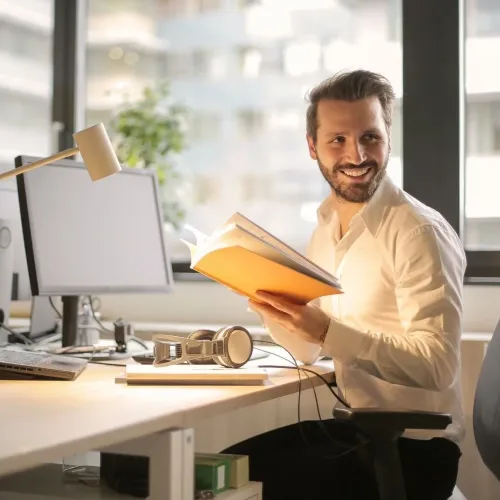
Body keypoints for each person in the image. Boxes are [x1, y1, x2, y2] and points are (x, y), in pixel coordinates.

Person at [222, 70, 465, 500]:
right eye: (338, 140)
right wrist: (272, 306)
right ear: (312, 147)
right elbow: (309, 351)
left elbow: (437, 365)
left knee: (228, 486)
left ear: (388, 137)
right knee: (214, 468)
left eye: (370, 137)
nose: (357, 154)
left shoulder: (417, 231)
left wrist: (324, 329)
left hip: (415, 452)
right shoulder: (326, 226)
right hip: (355, 432)